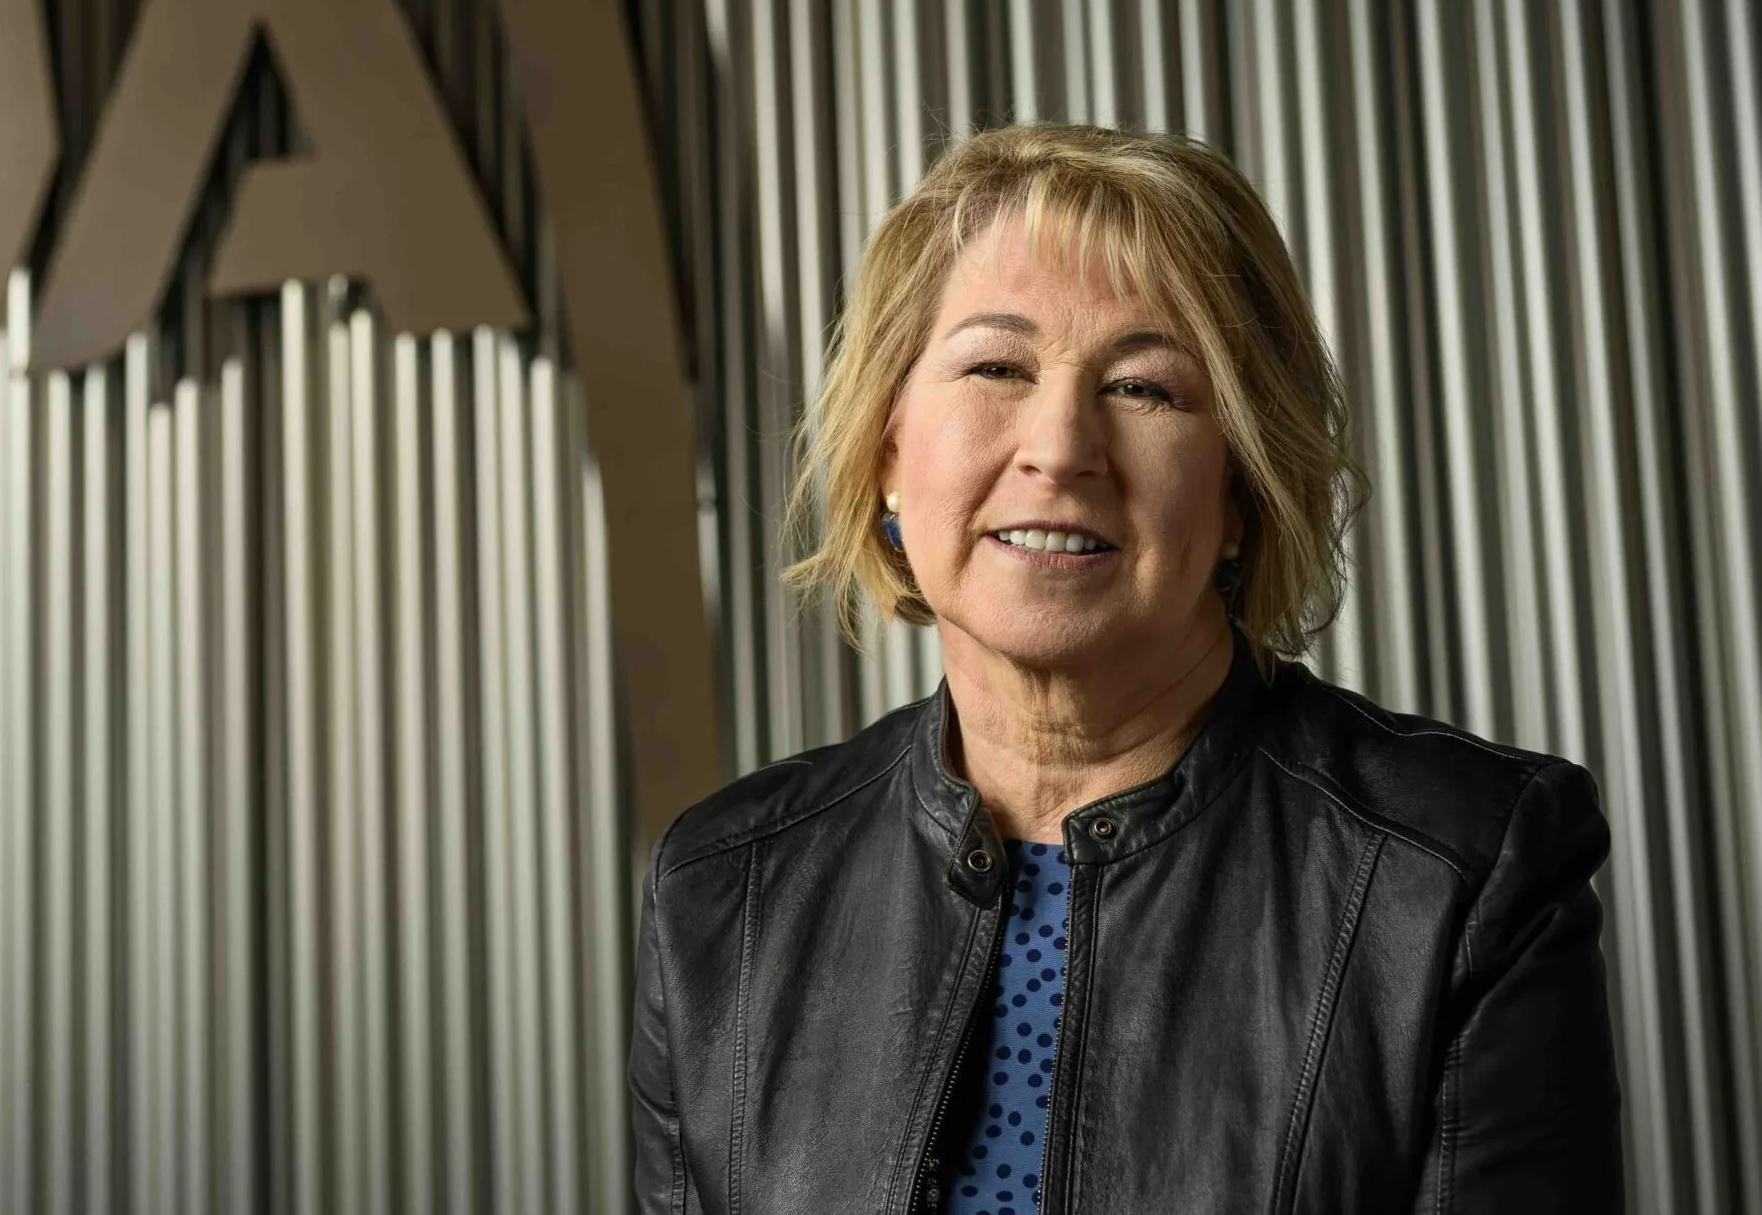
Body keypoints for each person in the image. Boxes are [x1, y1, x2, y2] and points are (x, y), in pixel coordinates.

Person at [628, 124, 1623, 1212]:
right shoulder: (723, 888)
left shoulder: (1462, 869)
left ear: (1241, 487)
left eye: (1145, 387)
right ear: (887, 454)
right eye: (996, 366)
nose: (1059, 445)